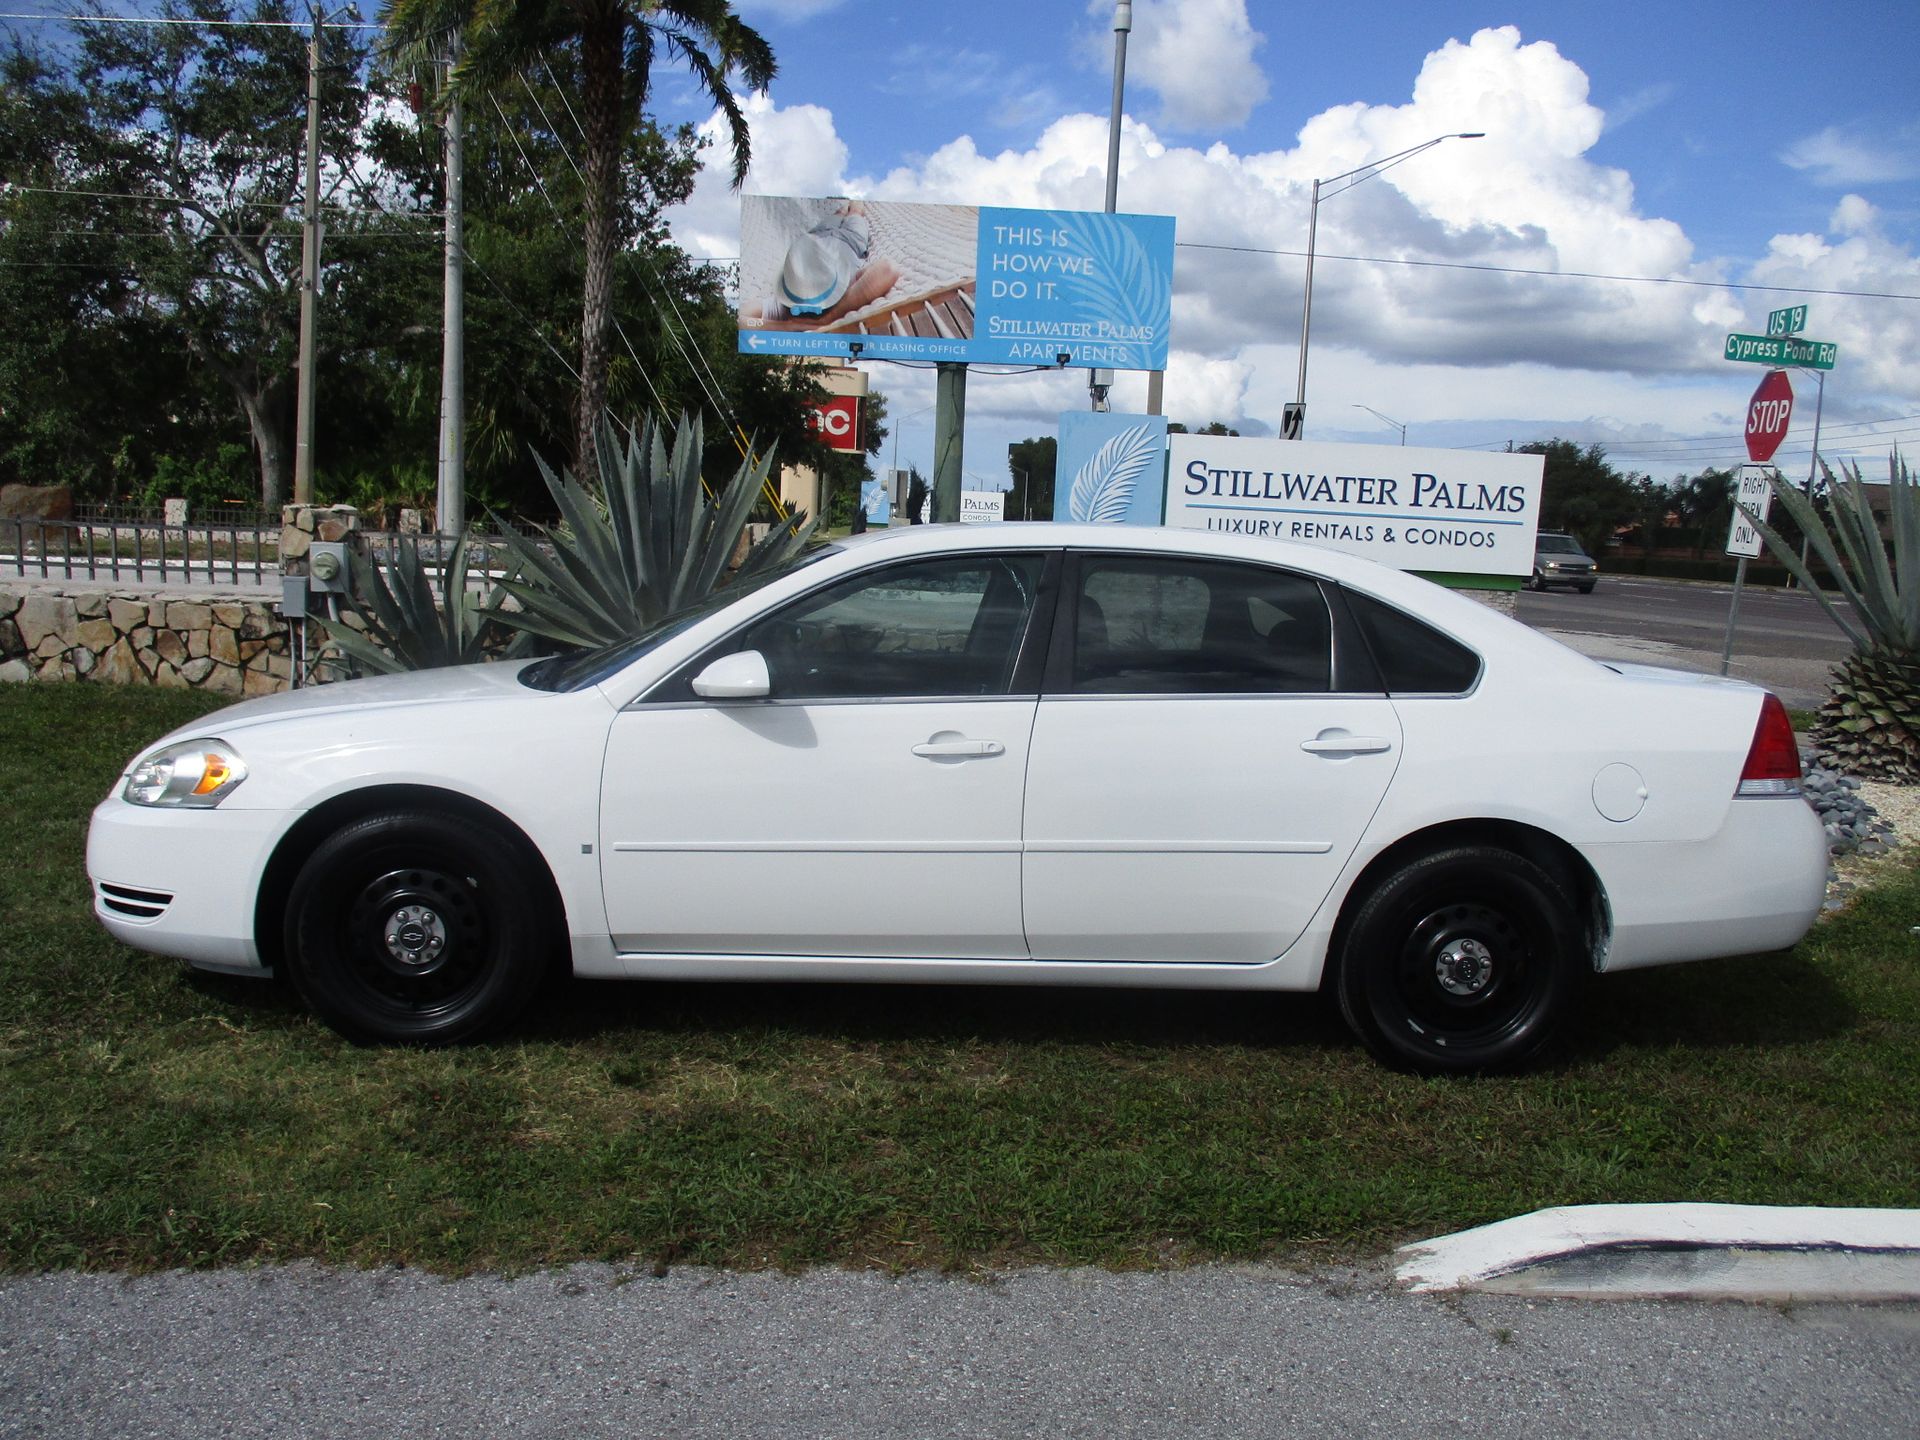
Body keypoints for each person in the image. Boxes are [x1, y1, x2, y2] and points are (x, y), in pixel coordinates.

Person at [745, 200, 901, 331]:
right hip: (851, 239)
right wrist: (830, 317)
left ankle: (850, 202)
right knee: (854, 212)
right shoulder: (844, 290)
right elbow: (888, 269)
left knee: (843, 212)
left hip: (816, 238)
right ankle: (853, 201)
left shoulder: (786, 305)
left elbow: (742, 317)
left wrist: (793, 325)